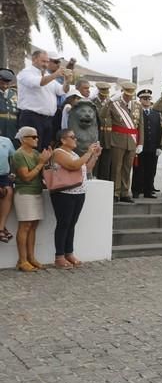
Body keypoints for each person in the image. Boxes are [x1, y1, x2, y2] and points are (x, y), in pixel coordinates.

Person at [50, 129, 100, 269]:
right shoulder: (58, 153)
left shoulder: (73, 153)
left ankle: (69, 252)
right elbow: (73, 166)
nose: (75, 139)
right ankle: (59, 256)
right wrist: (88, 152)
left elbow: (86, 168)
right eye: (72, 137)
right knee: (63, 223)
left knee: (72, 223)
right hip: (64, 193)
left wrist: (94, 156)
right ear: (63, 140)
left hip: (78, 192)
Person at [12, 126, 52, 271]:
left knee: (33, 226)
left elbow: (43, 173)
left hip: (36, 192)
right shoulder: (19, 155)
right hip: (24, 193)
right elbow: (26, 177)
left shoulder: (35, 153)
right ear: (23, 139)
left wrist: (46, 161)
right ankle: (22, 260)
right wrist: (41, 162)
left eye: (36, 136)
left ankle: (31, 257)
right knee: (25, 226)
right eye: (33, 137)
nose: (37, 139)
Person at [16, 50, 71, 150]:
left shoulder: (47, 76)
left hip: (48, 120)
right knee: (31, 151)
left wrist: (67, 81)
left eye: (47, 61)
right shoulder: (25, 73)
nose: (46, 64)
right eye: (43, 61)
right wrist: (55, 75)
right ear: (34, 59)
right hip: (31, 117)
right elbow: (39, 83)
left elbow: (62, 90)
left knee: (44, 150)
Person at [103, 82, 144, 203]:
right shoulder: (114, 104)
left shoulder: (137, 105)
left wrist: (140, 143)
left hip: (132, 141)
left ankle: (125, 192)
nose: (129, 97)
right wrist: (109, 101)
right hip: (117, 140)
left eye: (131, 95)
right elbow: (102, 115)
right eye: (126, 94)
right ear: (123, 92)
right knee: (116, 167)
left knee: (127, 168)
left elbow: (140, 125)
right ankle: (115, 192)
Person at [132, 89, 162, 198]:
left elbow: (160, 130)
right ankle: (136, 190)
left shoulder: (156, 113)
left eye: (149, 98)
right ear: (139, 100)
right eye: (144, 98)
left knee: (151, 170)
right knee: (139, 169)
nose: (147, 101)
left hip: (153, 146)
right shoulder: (135, 113)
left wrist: (159, 146)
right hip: (140, 146)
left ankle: (148, 191)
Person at [92, 82, 112, 180]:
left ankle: (104, 181)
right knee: (95, 161)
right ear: (99, 92)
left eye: (105, 95)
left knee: (106, 163)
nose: (104, 97)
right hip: (97, 135)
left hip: (108, 137)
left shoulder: (110, 102)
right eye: (102, 95)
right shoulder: (93, 102)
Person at [0, 131, 16, 243]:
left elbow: (13, 158)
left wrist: (13, 172)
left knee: (8, 191)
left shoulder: (6, 140)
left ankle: (1, 228)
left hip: (4, 176)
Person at [0, 68, 19, 147]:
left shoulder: (16, 94)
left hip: (13, 129)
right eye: (2, 83)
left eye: (7, 84)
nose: (5, 86)